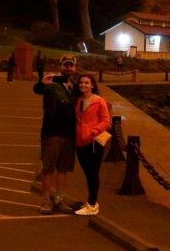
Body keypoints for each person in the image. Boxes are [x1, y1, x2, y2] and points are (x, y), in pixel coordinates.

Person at [32, 55, 79, 214]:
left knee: (63, 168)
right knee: (48, 168)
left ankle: (59, 199)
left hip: (69, 133)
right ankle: (46, 200)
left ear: (75, 68)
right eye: (65, 65)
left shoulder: (75, 85)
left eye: (71, 65)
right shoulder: (52, 82)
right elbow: (37, 90)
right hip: (52, 132)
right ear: (60, 66)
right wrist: (42, 83)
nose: (68, 68)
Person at [73, 73, 111, 216]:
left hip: (94, 142)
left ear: (93, 85)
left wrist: (94, 130)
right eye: (81, 82)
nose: (83, 85)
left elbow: (106, 121)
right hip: (79, 142)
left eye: (87, 83)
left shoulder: (99, 101)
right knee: (88, 173)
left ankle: (93, 204)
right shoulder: (77, 100)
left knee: (93, 173)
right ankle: (91, 202)